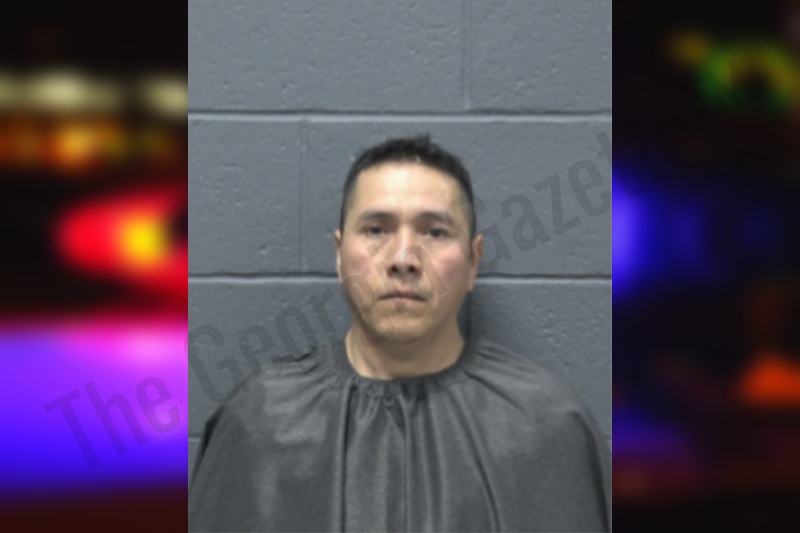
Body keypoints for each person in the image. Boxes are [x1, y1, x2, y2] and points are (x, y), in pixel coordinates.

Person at [188, 135, 611, 532]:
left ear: (473, 261)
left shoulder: (546, 425)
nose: (404, 258)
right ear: (339, 256)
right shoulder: (262, 421)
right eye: (376, 229)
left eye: (435, 231)